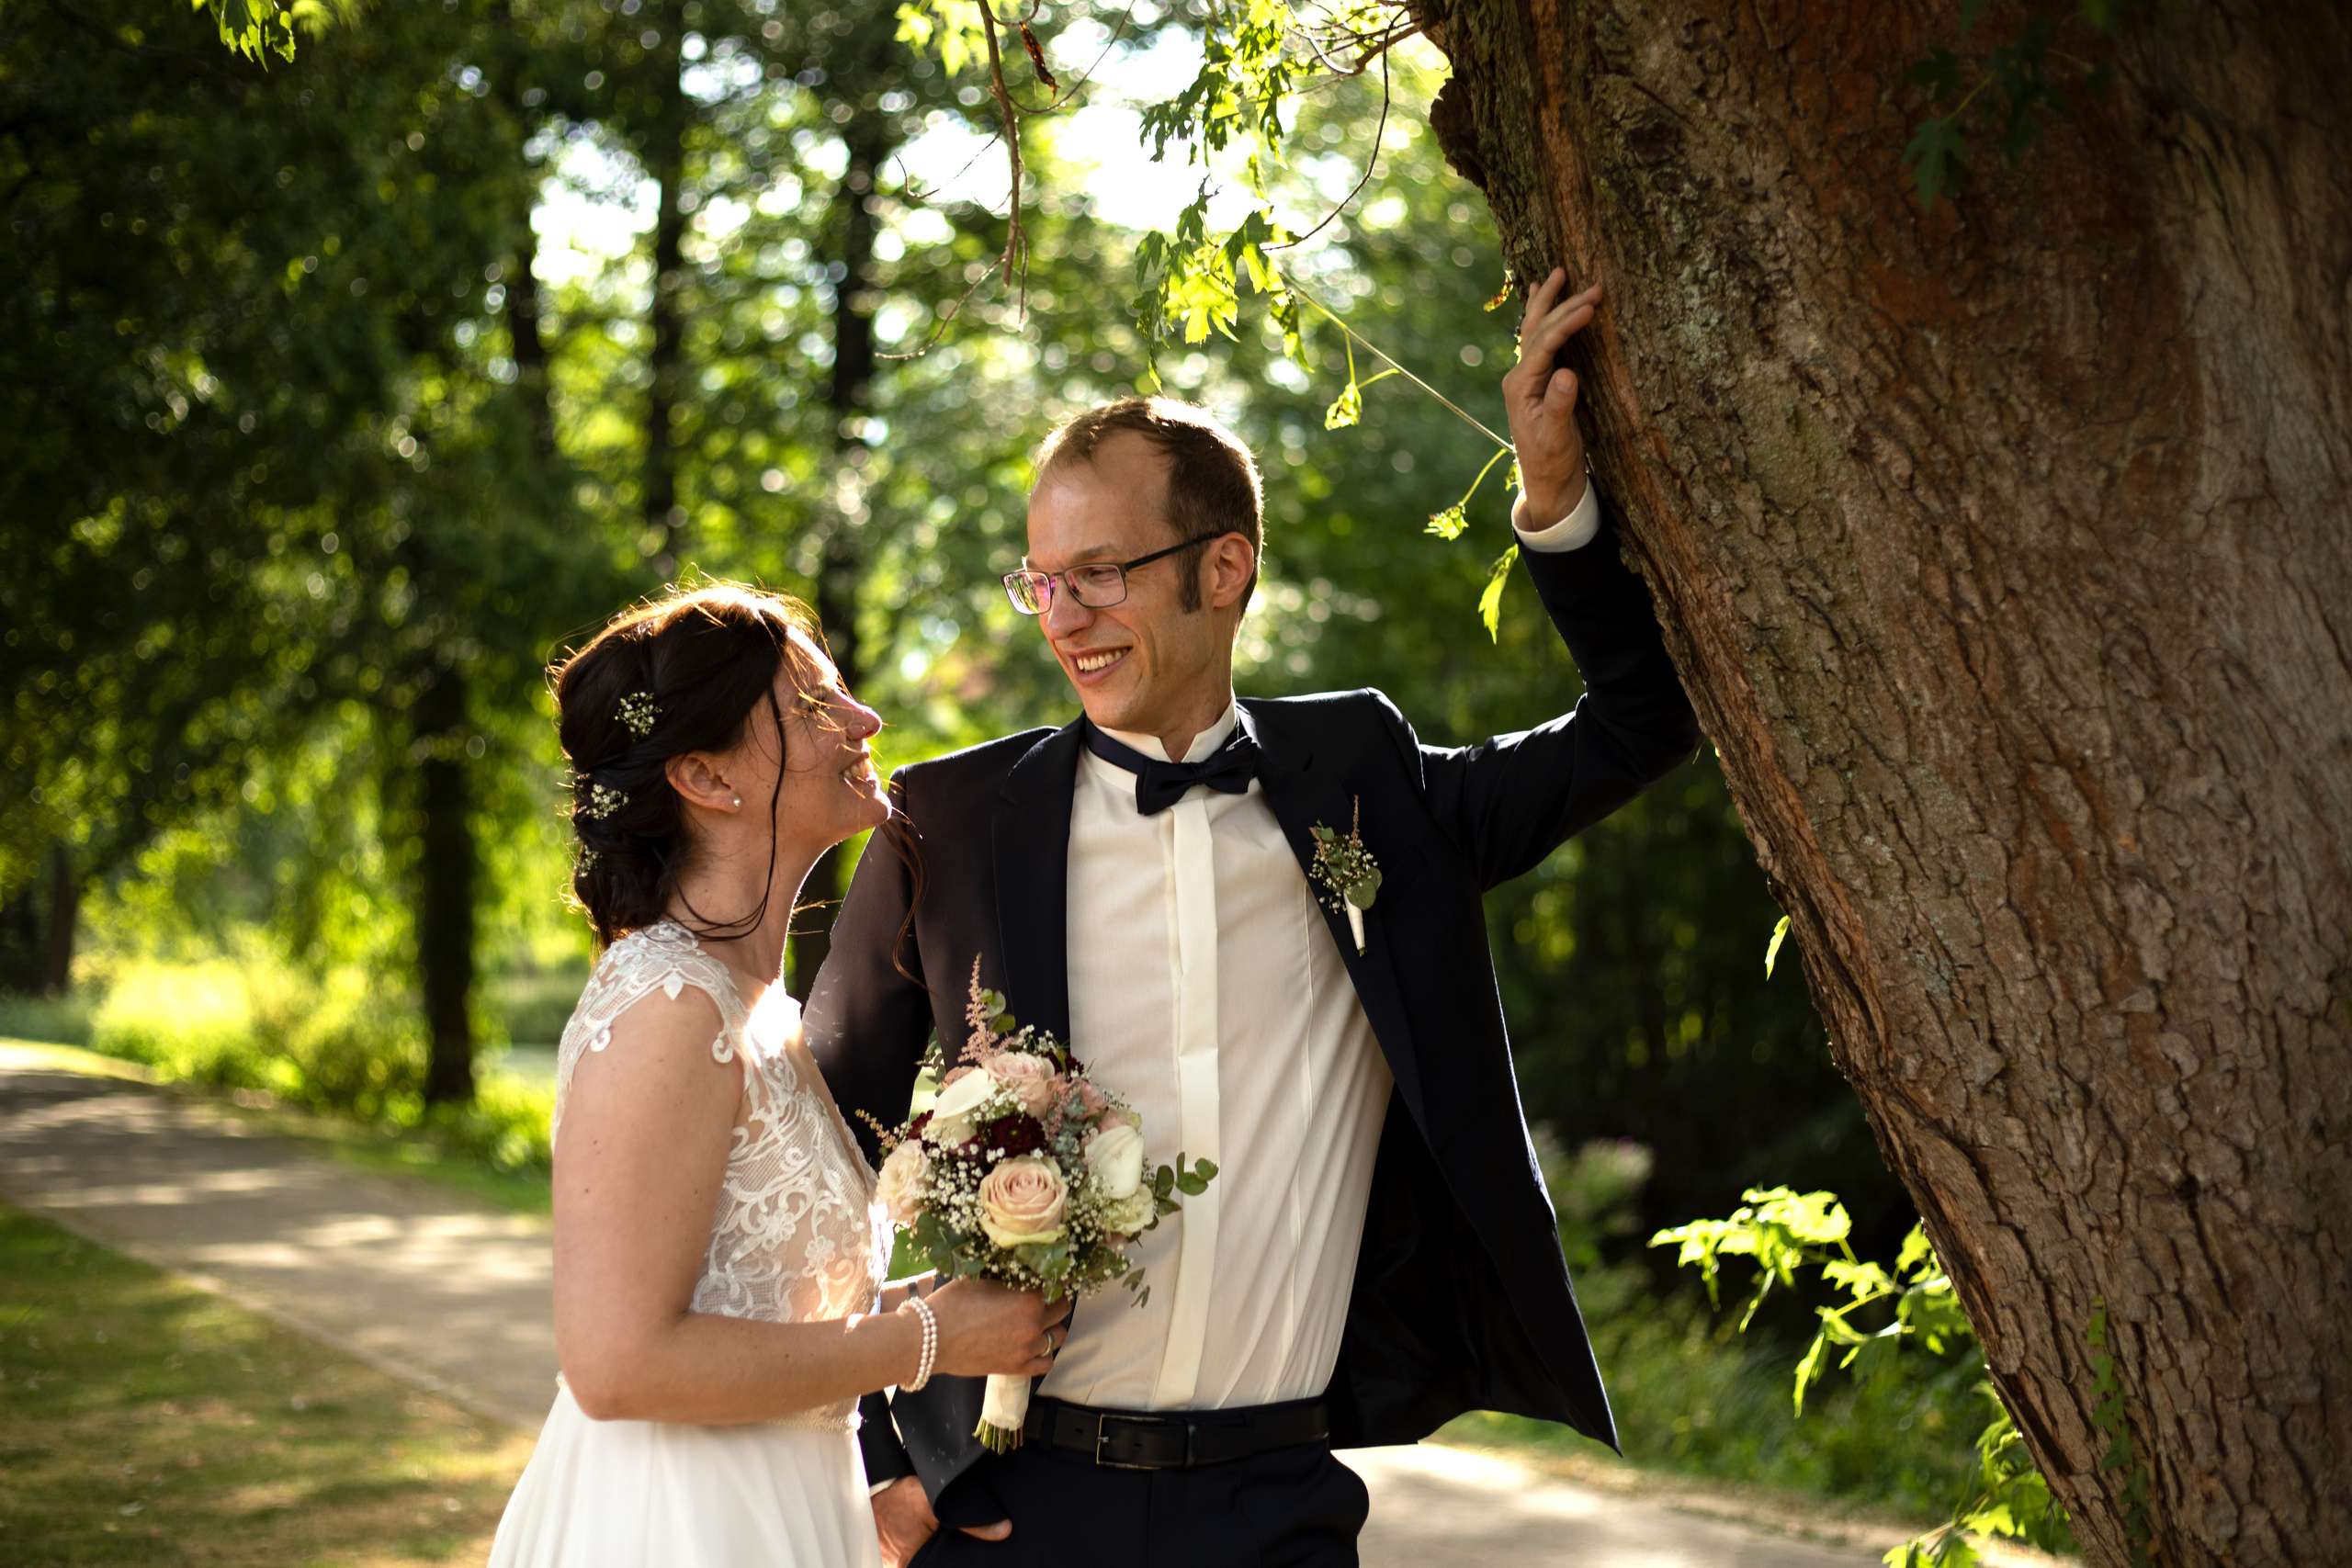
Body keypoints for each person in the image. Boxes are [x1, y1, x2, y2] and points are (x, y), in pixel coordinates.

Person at [805, 269, 1702, 1567]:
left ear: (1223, 568)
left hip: (1274, 1497)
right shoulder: (950, 822)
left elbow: (1637, 723)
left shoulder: (1368, 785)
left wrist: (1555, 505)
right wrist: (889, 1456)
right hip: (1003, 1499)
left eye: (1100, 573)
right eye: (1041, 581)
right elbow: (820, 1137)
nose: (1065, 617)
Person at [487, 585, 1068, 1568]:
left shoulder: (759, 1006)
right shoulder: (667, 1009)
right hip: (677, 1524)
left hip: (788, 1507)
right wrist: (928, 1337)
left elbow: (750, 1305)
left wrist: (930, 1300)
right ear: (707, 776)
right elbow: (618, 1364)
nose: (863, 720)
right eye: (813, 705)